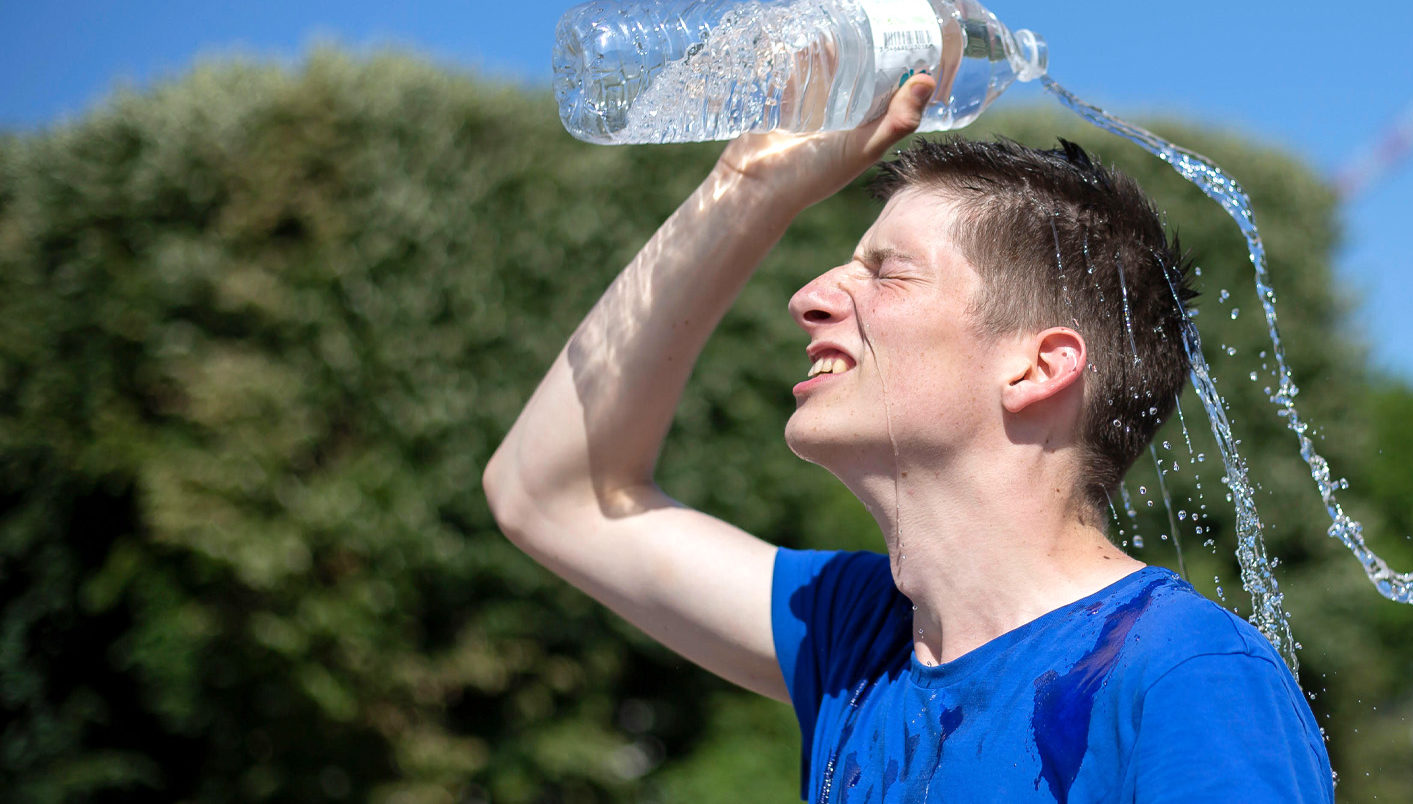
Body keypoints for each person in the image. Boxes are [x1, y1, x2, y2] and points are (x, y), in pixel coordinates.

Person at [483, 75, 1334, 802]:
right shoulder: (861, 639)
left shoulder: (1188, 676)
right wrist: (749, 185)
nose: (809, 297)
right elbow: (550, 496)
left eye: (887, 272)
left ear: (1039, 367)